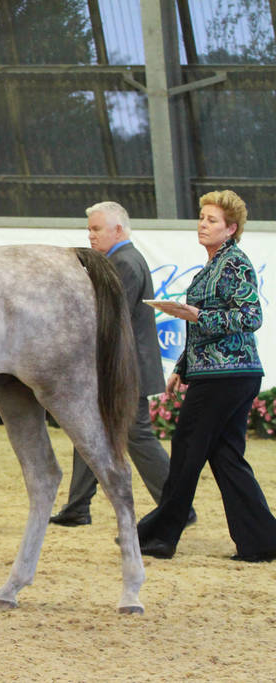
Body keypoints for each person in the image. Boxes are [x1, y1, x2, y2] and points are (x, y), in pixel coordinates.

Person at [136, 189, 276, 562]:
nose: (203, 224)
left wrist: (199, 316)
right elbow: (204, 327)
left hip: (227, 376)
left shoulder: (234, 265)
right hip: (222, 374)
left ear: (231, 229)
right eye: (202, 217)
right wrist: (182, 368)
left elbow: (252, 318)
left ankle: (160, 535)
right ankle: (262, 540)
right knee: (226, 456)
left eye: (212, 220)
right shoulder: (213, 266)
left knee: (186, 450)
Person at [50, 201, 194, 527]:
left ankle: (178, 507)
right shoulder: (121, 260)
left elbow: (109, 320)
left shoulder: (123, 263)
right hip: (123, 367)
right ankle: (76, 507)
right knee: (90, 430)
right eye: (89, 229)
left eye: (96, 229)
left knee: (136, 436)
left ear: (118, 229)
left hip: (127, 369)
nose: (90, 235)